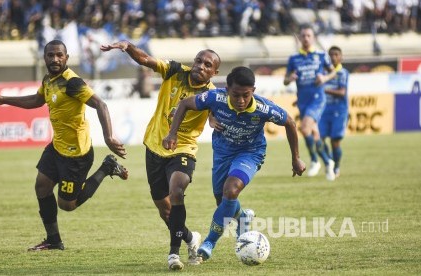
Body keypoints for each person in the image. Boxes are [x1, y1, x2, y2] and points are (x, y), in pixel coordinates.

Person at [0, 39, 129, 251]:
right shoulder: (49, 80)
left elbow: (100, 104)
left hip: (76, 155)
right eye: (51, 55)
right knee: (41, 186)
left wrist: (109, 137)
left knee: (67, 205)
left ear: (67, 58)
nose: (55, 59)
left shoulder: (72, 82)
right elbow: (36, 100)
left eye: (59, 55)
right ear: (44, 58)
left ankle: (107, 167)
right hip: (57, 148)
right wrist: (3, 99)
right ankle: (53, 240)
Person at [163, 66, 306, 261]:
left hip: (250, 153)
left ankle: (209, 242)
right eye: (236, 95)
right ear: (227, 89)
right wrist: (173, 133)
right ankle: (243, 217)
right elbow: (186, 103)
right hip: (222, 153)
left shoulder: (264, 108)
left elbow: (289, 122)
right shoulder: (215, 98)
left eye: (246, 95)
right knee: (224, 203)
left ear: (253, 91)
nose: (240, 101)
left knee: (231, 190)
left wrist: (295, 158)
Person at [100, 41, 221, 270]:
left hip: (183, 149)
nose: (201, 66)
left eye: (208, 65)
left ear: (215, 72)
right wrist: (128, 46)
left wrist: (214, 120)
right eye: (198, 61)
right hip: (155, 146)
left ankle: (173, 254)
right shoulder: (175, 71)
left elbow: (215, 115)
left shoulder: (212, 94)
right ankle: (190, 238)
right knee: (165, 210)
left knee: (177, 190)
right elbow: (146, 59)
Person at [283, 23, 337, 181]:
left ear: (313, 38)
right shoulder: (294, 58)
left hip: (317, 99)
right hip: (303, 101)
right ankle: (328, 162)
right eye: (303, 36)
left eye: (309, 35)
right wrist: (290, 78)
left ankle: (314, 160)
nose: (306, 38)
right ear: (299, 38)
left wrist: (325, 78)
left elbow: (333, 72)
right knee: (314, 134)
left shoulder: (321, 55)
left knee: (305, 128)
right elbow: (285, 81)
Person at [318, 46, 349, 178]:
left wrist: (323, 89)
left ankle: (336, 166)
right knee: (318, 139)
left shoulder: (342, 72)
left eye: (336, 54)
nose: (333, 57)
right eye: (331, 55)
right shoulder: (323, 73)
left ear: (341, 57)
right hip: (323, 110)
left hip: (338, 110)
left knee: (334, 142)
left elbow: (342, 92)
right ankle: (328, 161)